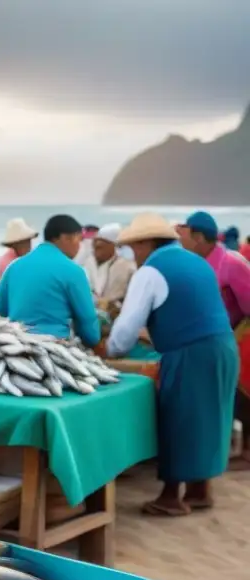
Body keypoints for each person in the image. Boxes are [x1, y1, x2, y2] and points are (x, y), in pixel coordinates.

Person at [106, 213, 237, 516]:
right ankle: (200, 490)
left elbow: (125, 331)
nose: (133, 255)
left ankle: (170, 497)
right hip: (223, 346)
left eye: (134, 248)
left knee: (178, 418)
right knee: (209, 419)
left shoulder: (150, 271)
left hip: (190, 353)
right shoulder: (196, 262)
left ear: (145, 243)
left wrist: (110, 349)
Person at [179, 211, 250, 459]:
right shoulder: (195, 262)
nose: (181, 241)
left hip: (238, 334)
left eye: (185, 236)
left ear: (198, 237)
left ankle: (247, 449)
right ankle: (223, 444)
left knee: (241, 392)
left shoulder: (232, 262)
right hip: (210, 338)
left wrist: (237, 335)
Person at [0, 214, 100, 344]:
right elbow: (88, 323)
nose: (79, 247)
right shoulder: (73, 271)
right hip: (54, 348)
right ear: (65, 238)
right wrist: (93, 339)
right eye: (78, 240)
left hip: (17, 345)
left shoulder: (14, 267)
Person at [0, 218, 38, 314]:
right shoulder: (3, 265)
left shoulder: (28, 262)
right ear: (14, 244)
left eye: (28, 241)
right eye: (23, 243)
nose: (28, 246)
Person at [75, 223, 137, 306]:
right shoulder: (88, 263)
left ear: (112, 246)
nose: (95, 250)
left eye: (100, 247)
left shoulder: (128, 267)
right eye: (94, 246)